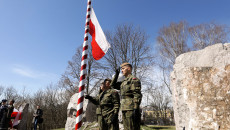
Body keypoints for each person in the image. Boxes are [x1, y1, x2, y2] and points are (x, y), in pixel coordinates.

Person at [113, 62, 142, 130]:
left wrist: (136, 108)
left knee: (131, 128)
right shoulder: (124, 81)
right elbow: (113, 85)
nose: (121, 70)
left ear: (128, 68)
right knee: (126, 128)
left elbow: (137, 95)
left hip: (131, 108)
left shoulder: (133, 79)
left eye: (123, 68)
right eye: (121, 69)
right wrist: (116, 75)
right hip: (124, 107)